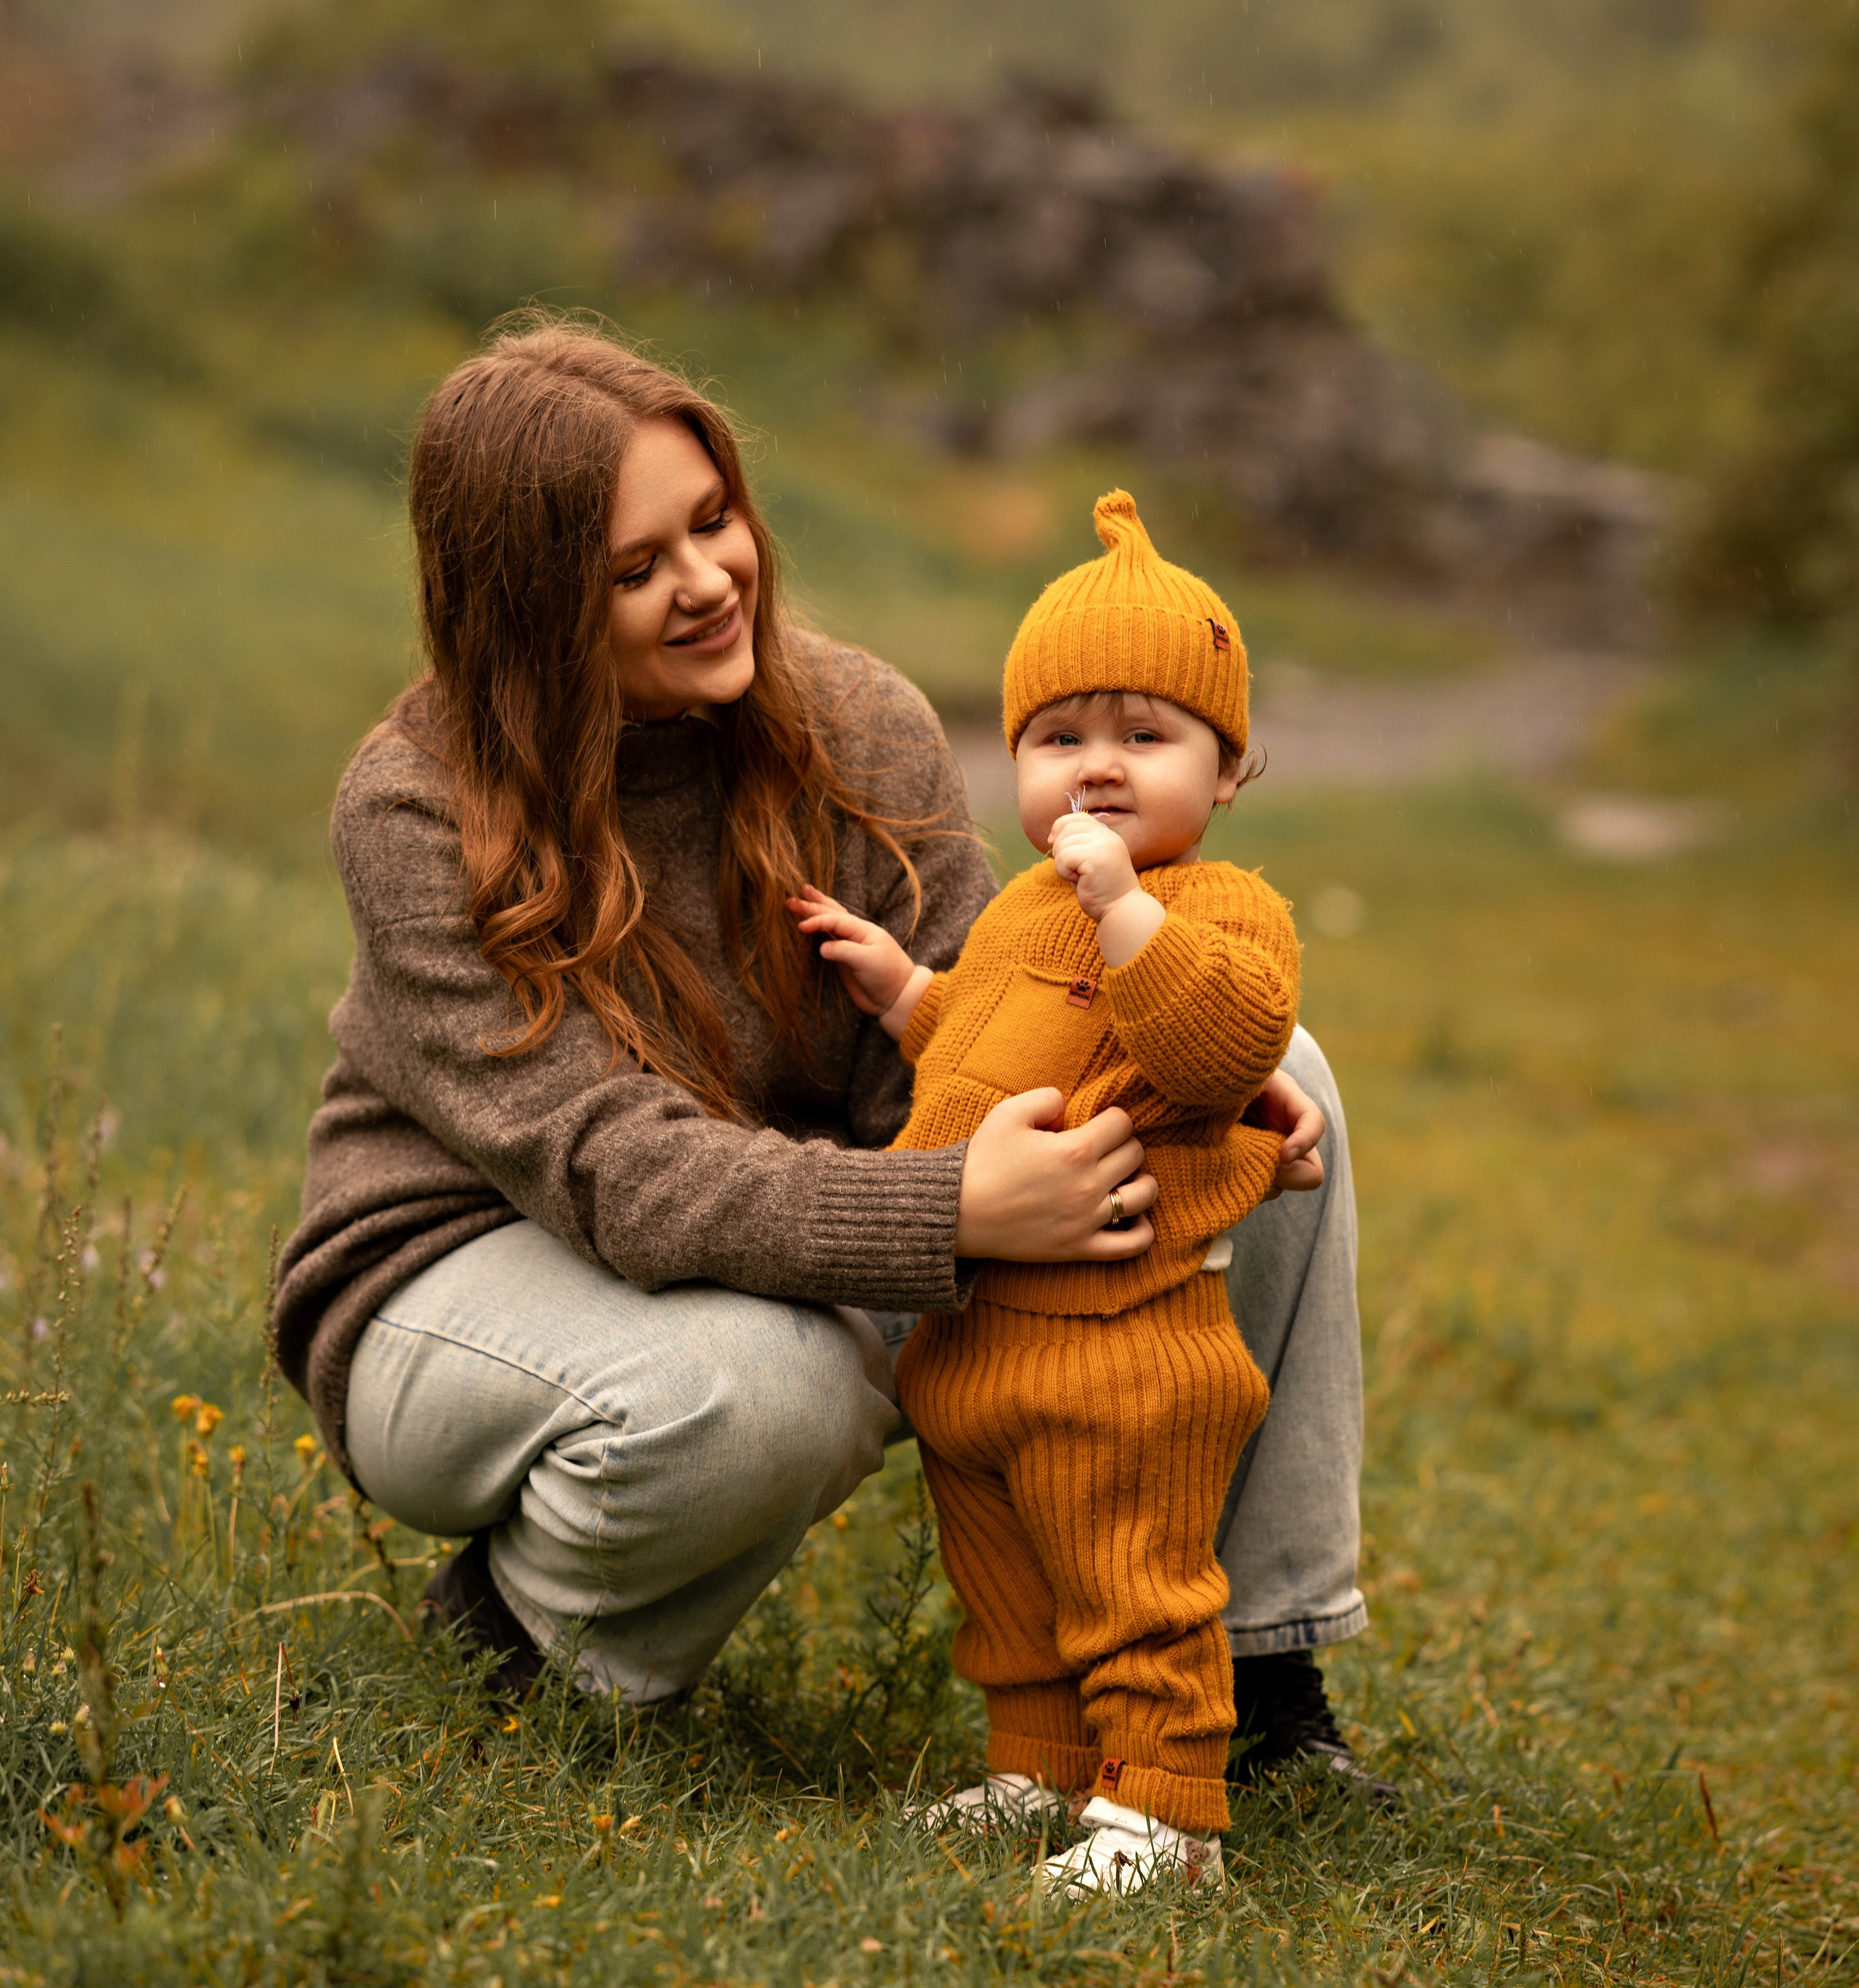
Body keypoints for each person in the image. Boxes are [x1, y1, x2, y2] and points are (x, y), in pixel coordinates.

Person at [272, 320, 1371, 1804]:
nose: (709, 579)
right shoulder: (414, 807)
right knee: (764, 1384)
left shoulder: (857, 722)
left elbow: (988, 1045)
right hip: (466, 1269)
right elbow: (610, 1167)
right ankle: (527, 1636)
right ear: (530, 605)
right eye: (632, 566)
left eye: (712, 520)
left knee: (1270, 1057)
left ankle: (1254, 1677)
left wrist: (1196, 1097)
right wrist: (953, 1213)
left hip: (798, 1220)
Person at [789, 491, 1311, 1894]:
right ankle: (1037, 1768)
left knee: (1133, 1578)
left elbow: (1220, 1041)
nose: (1099, 771)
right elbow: (986, 1036)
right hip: (977, 1341)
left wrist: (1124, 908)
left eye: (1148, 736)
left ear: (1228, 765)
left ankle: (1170, 1810)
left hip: (1119, 1345)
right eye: (1059, 738)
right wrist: (905, 991)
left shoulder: (1218, 910)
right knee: (1012, 1592)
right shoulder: (1024, 907)